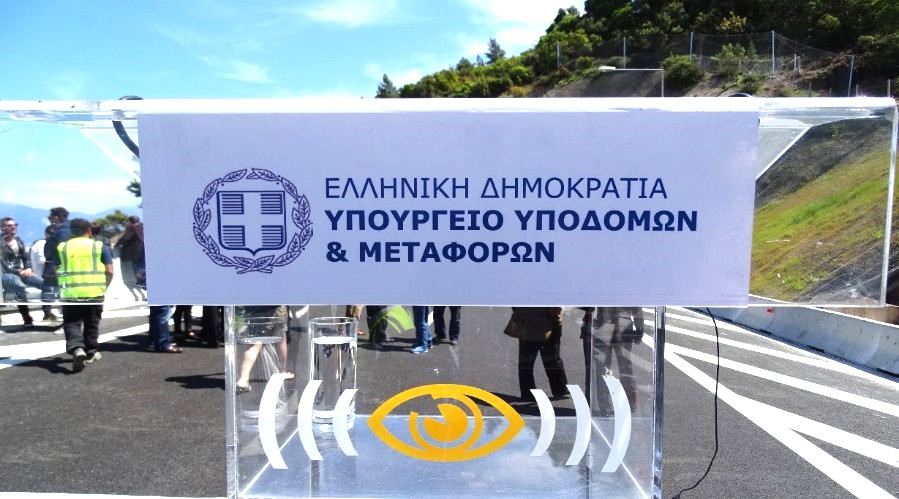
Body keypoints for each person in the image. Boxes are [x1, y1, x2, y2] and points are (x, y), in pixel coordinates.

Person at [57, 218, 113, 372]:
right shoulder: (99, 246)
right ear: (89, 230)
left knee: (71, 322)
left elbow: (56, 270)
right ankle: (91, 352)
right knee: (91, 322)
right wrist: (104, 287)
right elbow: (109, 271)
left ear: (72, 231)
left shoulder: (62, 247)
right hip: (94, 292)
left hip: (70, 293)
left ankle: (77, 348)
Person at [581, 307, 644, 411]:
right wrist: (639, 327)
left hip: (601, 324)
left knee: (602, 368)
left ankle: (603, 406)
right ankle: (629, 403)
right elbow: (635, 303)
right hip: (621, 324)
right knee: (625, 367)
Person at [513, 307, 569, 402]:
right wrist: (558, 318)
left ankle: (528, 392)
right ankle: (559, 388)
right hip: (547, 323)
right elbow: (555, 309)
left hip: (527, 323)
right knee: (552, 358)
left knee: (526, 361)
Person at [1, 217, 46, 327]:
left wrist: (28, 268)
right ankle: (27, 318)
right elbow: (3, 262)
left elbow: (25, 257)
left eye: (15, 225)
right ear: (2, 228)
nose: (13, 227)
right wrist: (18, 271)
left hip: (20, 271)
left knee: (44, 284)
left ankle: (48, 312)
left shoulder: (18, 240)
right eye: (10, 225)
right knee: (19, 288)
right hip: (6, 273)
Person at [30, 226, 59, 319]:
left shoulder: (51, 244)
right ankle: (47, 313)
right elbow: (43, 261)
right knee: (49, 286)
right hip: (40, 276)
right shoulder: (41, 243)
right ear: (47, 234)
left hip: (47, 275)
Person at [43, 207, 73, 299]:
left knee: (48, 289)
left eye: (50, 218)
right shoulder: (74, 228)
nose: (50, 221)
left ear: (55, 218)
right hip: (73, 266)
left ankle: (47, 306)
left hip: (57, 266)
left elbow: (58, 249)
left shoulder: (61, 231)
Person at [114, 216, 146, 288]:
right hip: (144, 250)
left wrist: (116, 245)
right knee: (143, 266)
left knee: (137, 267)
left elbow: (124, 238)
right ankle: (144, 282)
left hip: (136, 251)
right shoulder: (143, 226)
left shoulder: (132, 227)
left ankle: (140, 282)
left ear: (130, 221)